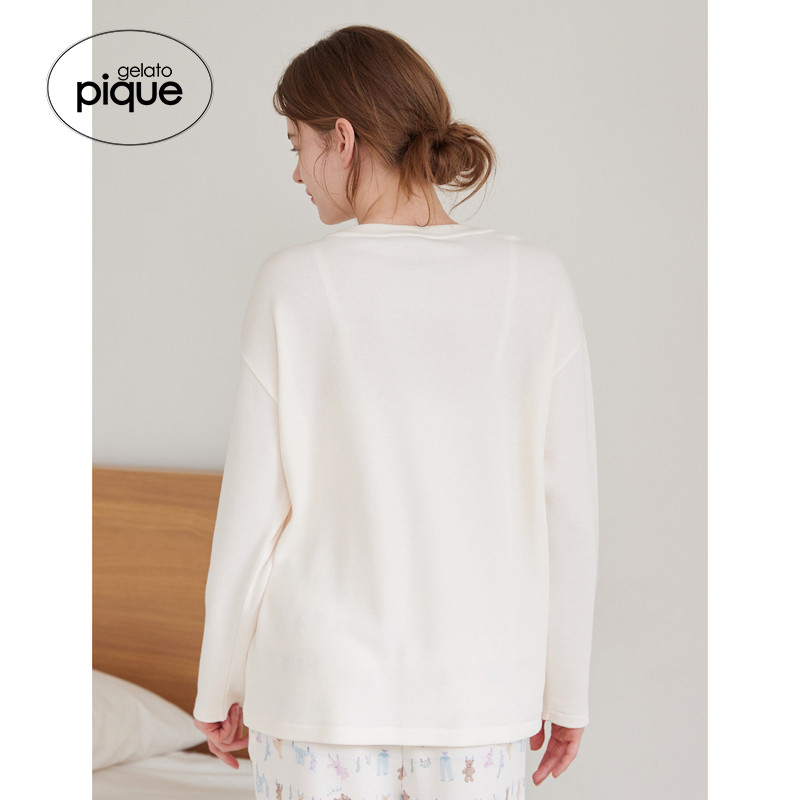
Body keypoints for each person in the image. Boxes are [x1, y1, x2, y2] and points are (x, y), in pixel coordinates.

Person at [193, 24, 599, 799]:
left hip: (317, 696)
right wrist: (566, 691)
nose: (296, 172)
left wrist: (220, 685)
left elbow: (251, 516)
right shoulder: (537, 280)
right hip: (483, 699)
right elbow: (569, 514)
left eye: (297, 144)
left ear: (341, 138)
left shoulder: (292, 283)